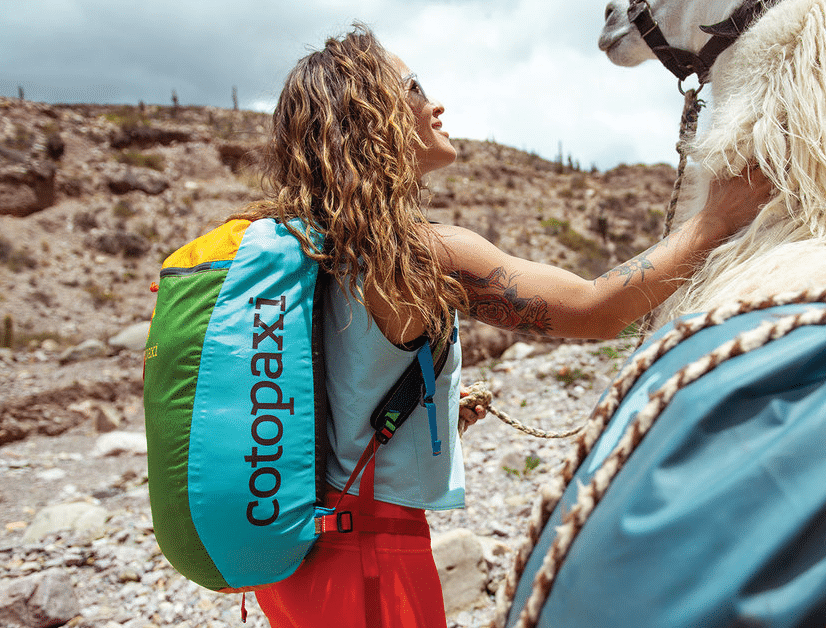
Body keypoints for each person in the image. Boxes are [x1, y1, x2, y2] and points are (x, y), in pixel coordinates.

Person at [239, 23, 772, 628]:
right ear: (374, 119)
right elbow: (593, 309)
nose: (434, 103)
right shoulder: (421, 253)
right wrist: (716, 219)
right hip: (370, 562)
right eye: (414, 89)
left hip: (302, 554)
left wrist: (421, 415)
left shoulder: (312, 247)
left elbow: (325, 400)